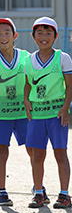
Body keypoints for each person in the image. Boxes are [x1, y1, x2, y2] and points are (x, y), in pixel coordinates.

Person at [0, 18, 33, 206]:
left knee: (33, 150)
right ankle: (1, 192)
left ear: (15, 35)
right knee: (2, 153)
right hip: (0, 114)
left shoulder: (26, 56)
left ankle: (38, 187)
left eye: (7, 32)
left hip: (23, 112)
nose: (3, 37)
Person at [24, 17, 72, 209]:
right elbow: (28, 84)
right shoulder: (28, 61)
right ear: (33, 37)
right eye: (40, 33)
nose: (44, 37)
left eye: (48, 33)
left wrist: (66, 108)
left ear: (56, 36)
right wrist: (26, 100)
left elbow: (69, 86)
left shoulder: (63, 58)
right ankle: (38, 193)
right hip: (36, 115)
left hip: (57, 114)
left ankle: (65, 194)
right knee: (37, 156)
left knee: (60, 154)